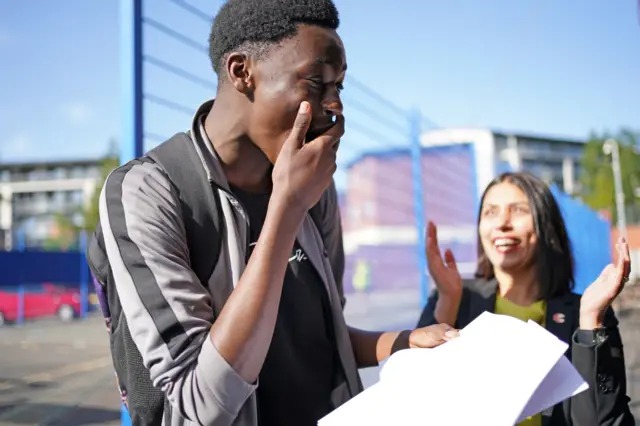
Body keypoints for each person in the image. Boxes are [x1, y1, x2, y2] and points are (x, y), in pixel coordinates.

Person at [96, 1, 456, 426]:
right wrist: (287, 207)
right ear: (241, 72)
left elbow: (321, 335)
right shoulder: (148, 193)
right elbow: (200, 405)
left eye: (340, 86)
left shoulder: (315, 189)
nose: (335, 106)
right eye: (316, 83)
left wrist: (400, 342)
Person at [417, 171, 635, 426]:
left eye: (518, 210)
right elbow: (415, 394)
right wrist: (448, 301)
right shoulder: (454, 299)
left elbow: (602, 420)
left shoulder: (585, 313)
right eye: (490, 212)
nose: (502, 223)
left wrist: (590, 321)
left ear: (545, 225)